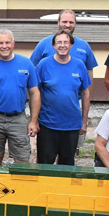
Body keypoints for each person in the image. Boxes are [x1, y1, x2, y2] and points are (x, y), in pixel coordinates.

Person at [0, 29, 40, 165]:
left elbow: (34, 93)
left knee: (22, 160)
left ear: (13, 43)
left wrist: (33, 121)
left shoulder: (26, 63)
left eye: (7, 42)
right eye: (0, 43)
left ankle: (20, 186)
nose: (4, 46)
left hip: (18, 118)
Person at [35, 31, 91, 165]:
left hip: (71, 125)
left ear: (71, 45)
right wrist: (34, 119)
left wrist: (84, 121)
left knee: (67, 166)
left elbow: (86, 93)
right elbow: (35, 93)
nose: (62, 45)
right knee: (44, 164)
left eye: (66, 42)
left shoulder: (79, 65)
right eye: (59, 42)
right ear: (53, 45)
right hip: (48, 124)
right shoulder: (44, 65)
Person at [29, 10, 99, 77]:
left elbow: (89, 72)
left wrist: (89, 89)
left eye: (71, 22)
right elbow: (33, 68)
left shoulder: (84, 46)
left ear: (75, 23)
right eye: (64, 22)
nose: (68, 25)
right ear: (58, 22)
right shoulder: (44, 43)